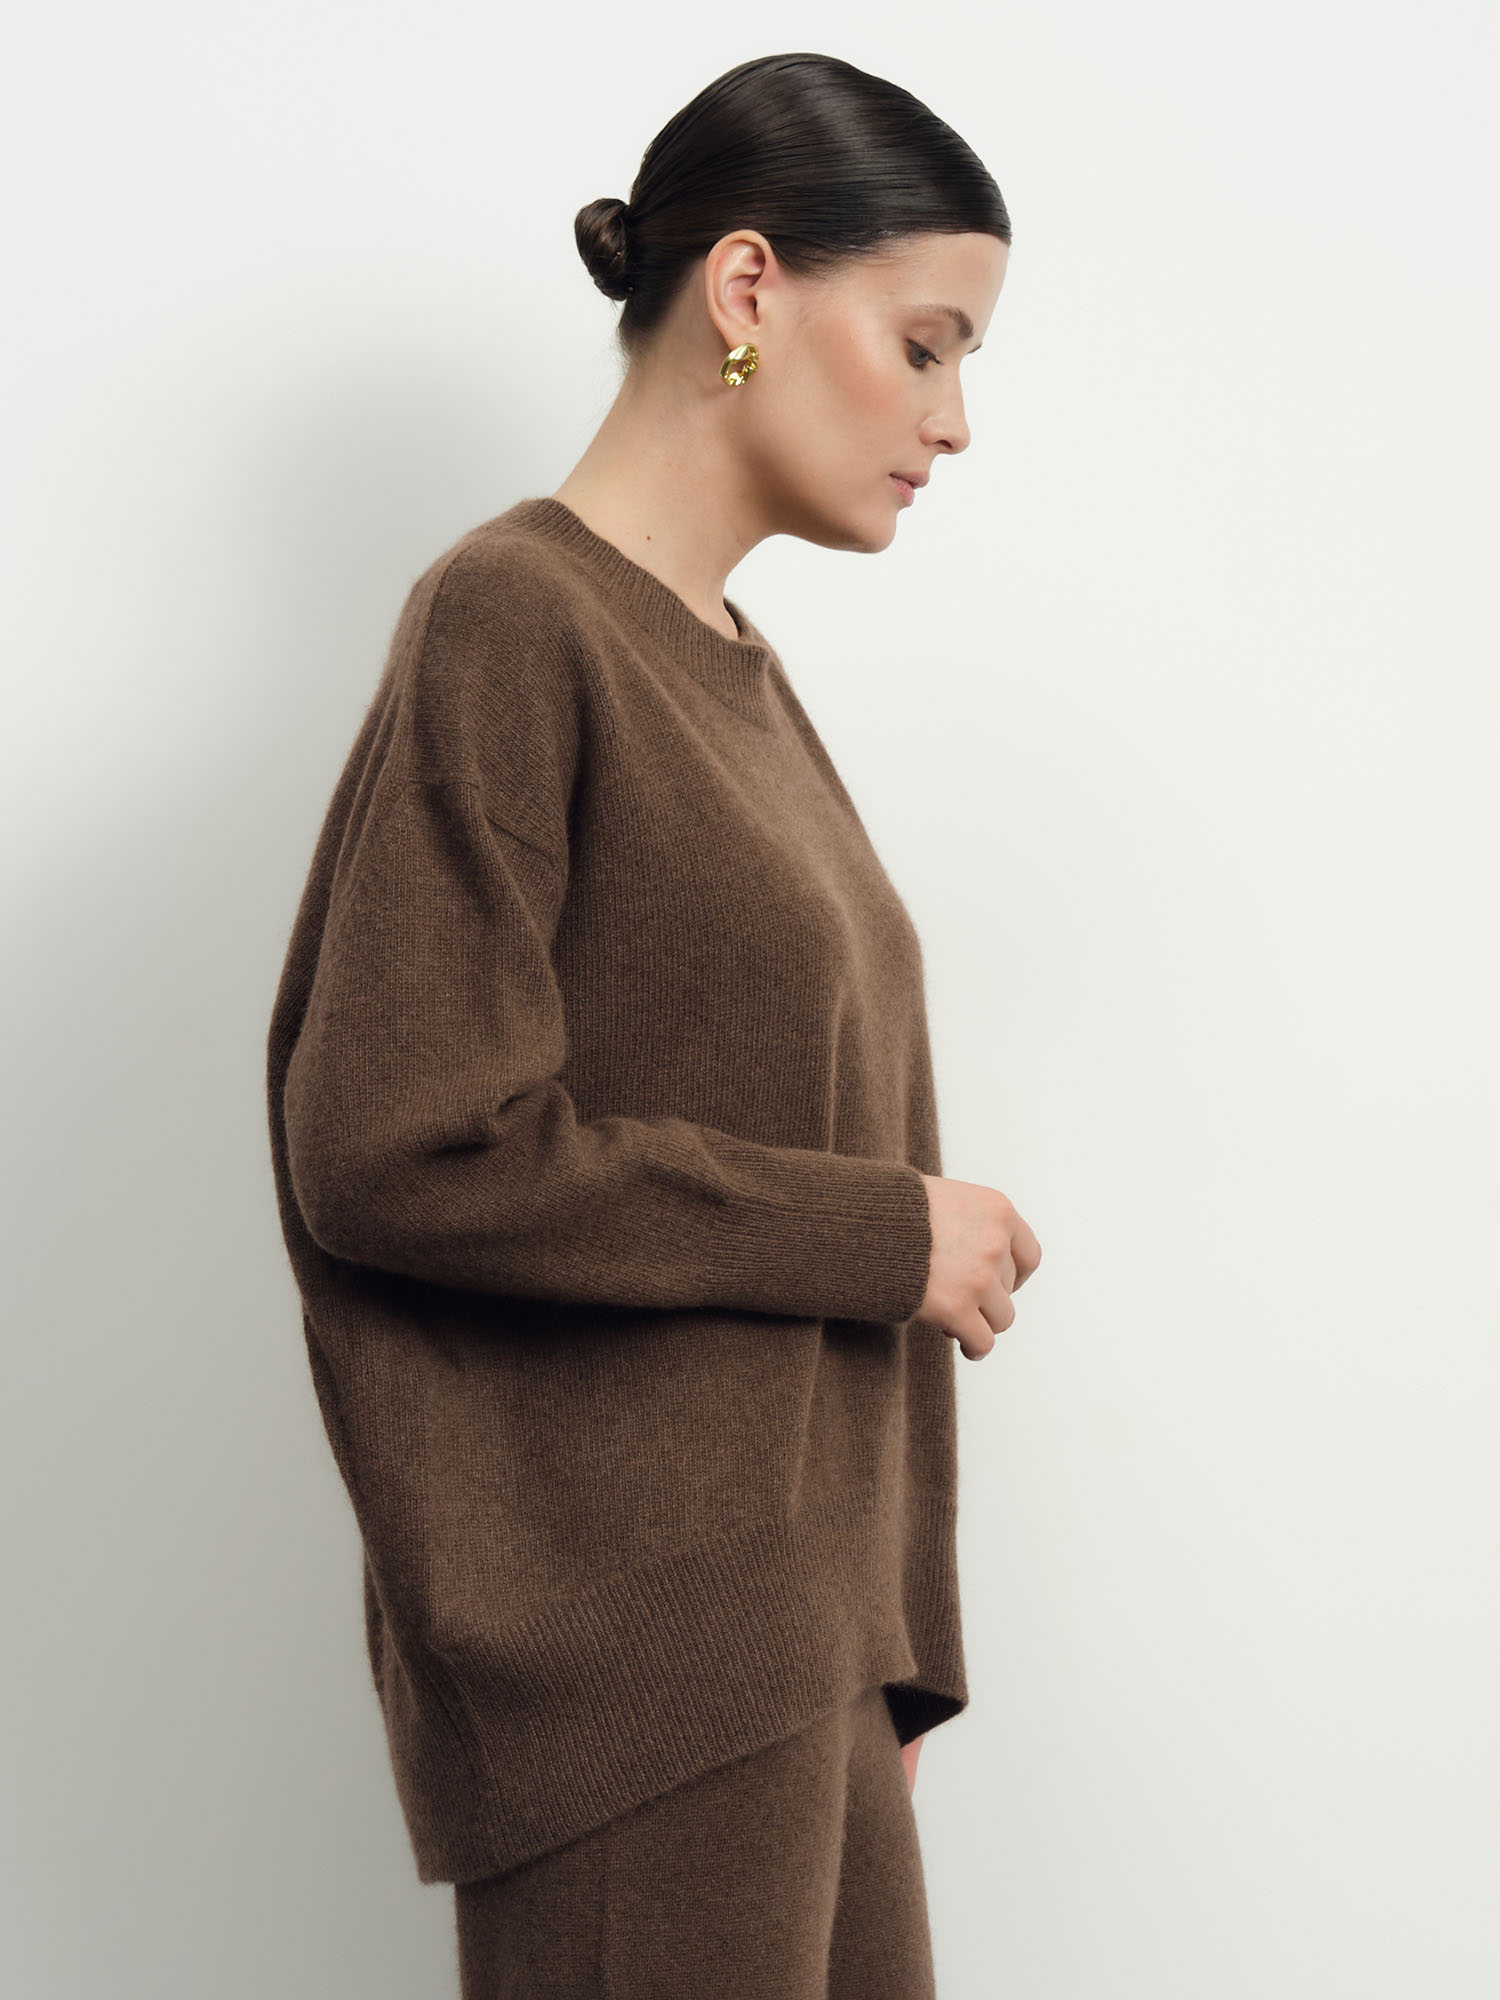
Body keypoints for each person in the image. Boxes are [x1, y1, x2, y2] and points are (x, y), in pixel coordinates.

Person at [265, 48, 1040, 1999]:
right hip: (645, 1673)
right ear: (749, 287)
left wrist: (896, 1644)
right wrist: (882, 1234)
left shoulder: (738, 676)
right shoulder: (518, 619)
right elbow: (399, 1146)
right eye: (928, 345)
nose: (956, 420)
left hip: (799, 1657)